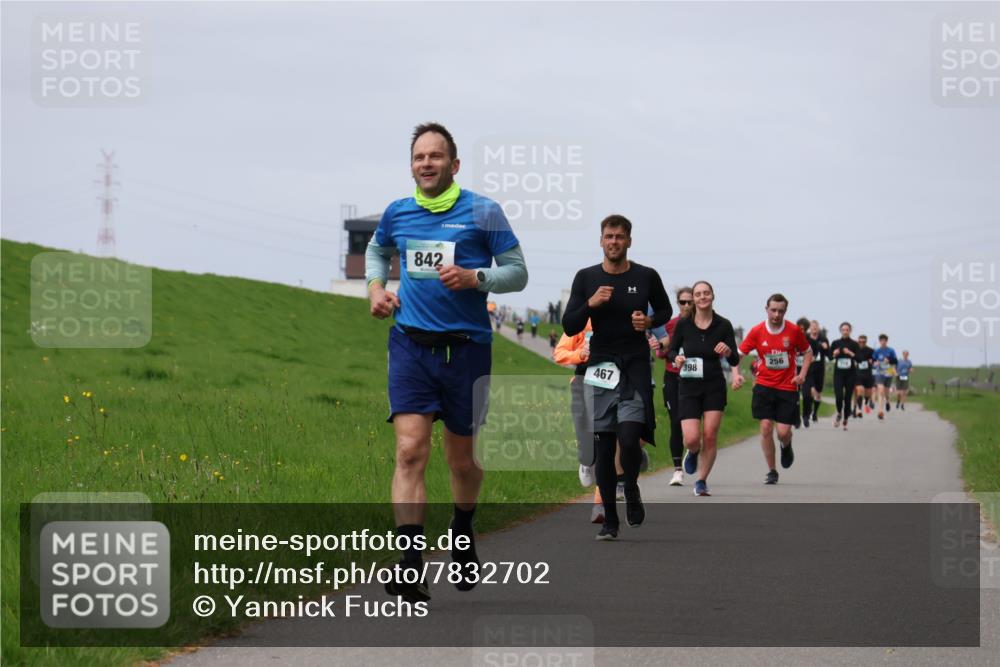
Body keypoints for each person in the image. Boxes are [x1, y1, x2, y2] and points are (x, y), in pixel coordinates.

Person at [366, 122, 528, 603]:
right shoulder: (398, 213)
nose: (427, 164)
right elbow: (377, 251)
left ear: (454, 165)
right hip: (411, 347)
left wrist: (475, 277)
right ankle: (411, 567)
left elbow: (517, 272)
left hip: (467, 350)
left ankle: (462, 527)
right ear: (411, 165)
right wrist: (376, 288)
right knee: (411, 451)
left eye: (436, 156)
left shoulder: (483, 212)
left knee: (462, 460)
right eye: (419, 157)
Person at [563, 214, 671, 539]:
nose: (614, 242)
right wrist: (590, 304)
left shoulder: (646, 276)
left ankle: (632, 486)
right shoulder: (586, 278)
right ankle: (610, 520)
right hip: (600, 366)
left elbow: (665, 310)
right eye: (608, 236)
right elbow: (569, 324)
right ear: (601, 241)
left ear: (628, 241)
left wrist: (649, 323)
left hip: (635, 364)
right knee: (603, 448)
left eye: (619, 237)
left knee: (628, 438)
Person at [666, 280, 739, 497]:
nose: (702, 297)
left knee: (709, 435)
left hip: (714, 386)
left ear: (713, 296)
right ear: (694, 299)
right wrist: (676, 357)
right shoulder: (684, 324)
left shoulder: (723, 325)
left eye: (706, 293)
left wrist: (727, 352)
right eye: (698, 294)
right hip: (688, 387)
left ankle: (701, 480)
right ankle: (693, 451)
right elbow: (670, 352)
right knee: (691, 438)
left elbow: (735, 357)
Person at [732, 295, 812, 485]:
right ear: (766, 309)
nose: (776, 314)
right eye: (773, 310)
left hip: (787, 387)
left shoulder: (793, 331)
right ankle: (772, 470)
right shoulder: (757, 331)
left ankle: (786, 445)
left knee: (783, 432)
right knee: (766, 427)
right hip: (764, 386)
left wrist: (802, 375)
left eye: (781, 311)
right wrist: (736, 374)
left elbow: (808, 352)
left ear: (785, 311)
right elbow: (738, 355)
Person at [653, 286, 694, 486]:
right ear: (677, 303)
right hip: (673, 378)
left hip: (696, 381)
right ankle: (677, 469)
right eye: (683, 302)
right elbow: (661, 352)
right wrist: (659, 348)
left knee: (692, 427)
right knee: (675, 423)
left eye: (690, 301)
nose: (686, 305)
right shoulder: (670, 325)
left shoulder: (703, 324)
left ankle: (693, 449)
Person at [830, 322, 860, 430]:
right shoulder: (835, 343)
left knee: (847, 398)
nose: (845, 331)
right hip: (838, 374)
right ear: (840, 331)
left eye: (847, 330)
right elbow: (829, 357)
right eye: (843, 330)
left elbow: (859, 359)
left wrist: (851, 353)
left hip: (850, 374)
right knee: (839, 396)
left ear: (850, 331)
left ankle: (846, 418)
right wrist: (834, 353)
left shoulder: (854, 344)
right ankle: (839, 412)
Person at [803, 320, 830, 425]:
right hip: (809, 369)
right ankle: (807, 413)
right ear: (810, 328)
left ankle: (815, 413)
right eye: (812, 326)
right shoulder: (806, 338)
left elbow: (829, 355)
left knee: (818, 393)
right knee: (810, 392)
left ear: (818, 328)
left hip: (819, 369)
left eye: (816, 326)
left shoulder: (823, 339)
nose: (814, 328)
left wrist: (826, 348)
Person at [871, 334, 898, 420]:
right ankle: (880, 410)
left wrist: (889, 360)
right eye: (881, 340)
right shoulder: (877, 351)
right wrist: (875, 363)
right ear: (879, 341)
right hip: (879, 373)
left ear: (887, 341)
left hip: (888, 372)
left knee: (886, 392)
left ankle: (888, 401)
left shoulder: (891, 350)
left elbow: (895, 361)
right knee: (881, 391)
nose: (883, 342)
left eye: (884, 340)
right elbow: (873, 361)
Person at [853, 335, 875, 417]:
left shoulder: (871, 350)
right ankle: (858, 409)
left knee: (867, 394)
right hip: (857, 374)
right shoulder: (855, 350)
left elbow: (875, 360)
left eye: (863, 341)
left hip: (868, 375)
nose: (862, 343)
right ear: (858, 341)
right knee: (859, 390)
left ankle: (866, 403)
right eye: (860, 341)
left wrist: (872, 360)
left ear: (866, 342)